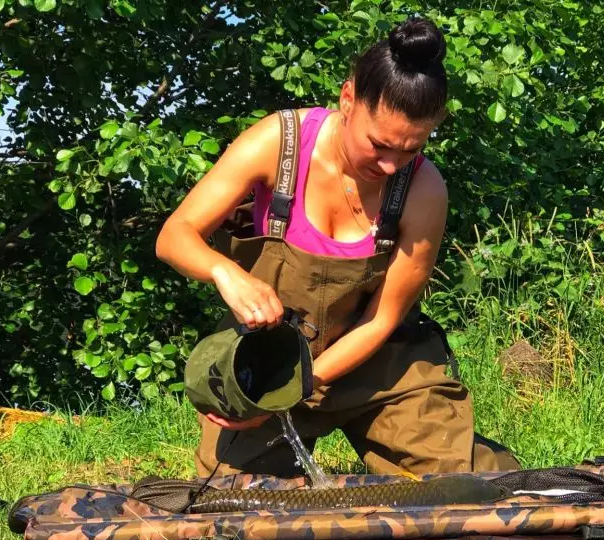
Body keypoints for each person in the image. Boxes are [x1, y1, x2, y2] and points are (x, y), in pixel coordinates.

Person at [156, 16, 521, 478]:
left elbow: (381, 319)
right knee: (233, 499)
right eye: (380, 145)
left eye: (410, 150)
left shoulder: (425, 190)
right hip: (271, 363)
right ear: (348, 98)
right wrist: (225, 272)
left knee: (458, 486)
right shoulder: (279, 144)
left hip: (382, 368)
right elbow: (175, 235)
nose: (391, 166)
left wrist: (305, 385)